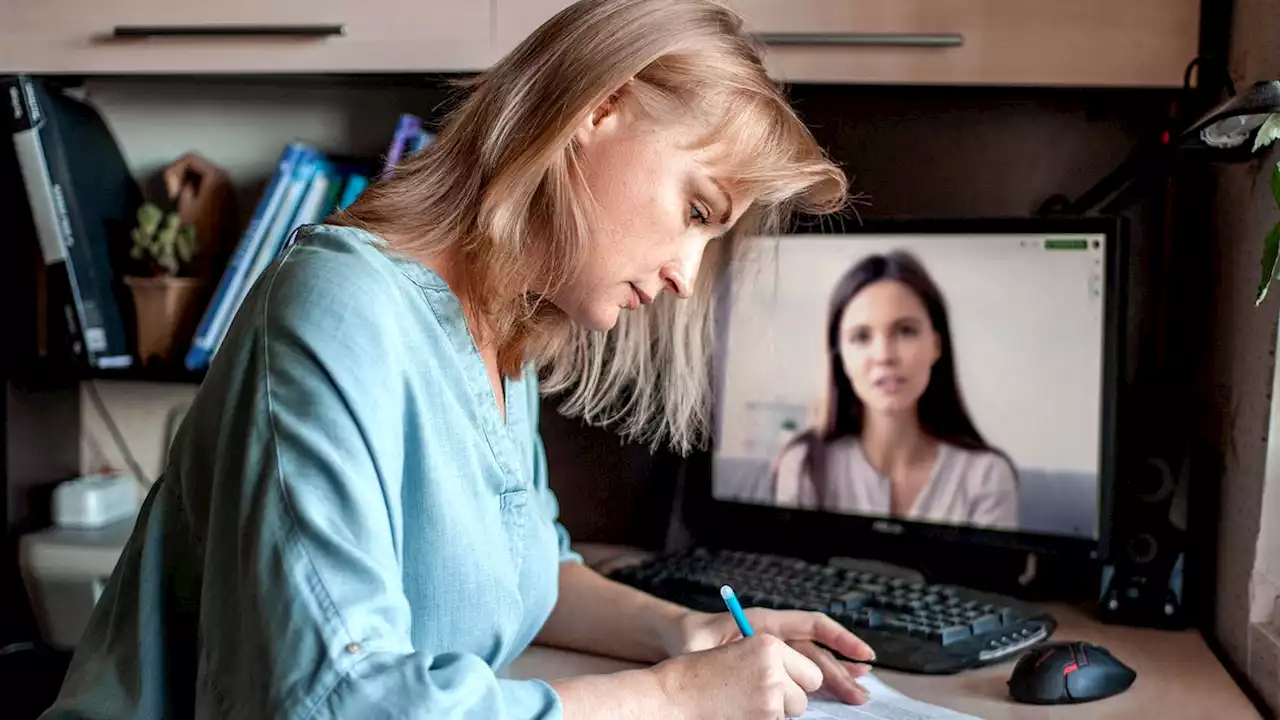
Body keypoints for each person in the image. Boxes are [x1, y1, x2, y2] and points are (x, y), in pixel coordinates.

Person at [40, 1, 878, 719]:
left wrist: (687, 634)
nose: (687, 279)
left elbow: (528, 570)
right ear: (598, 107)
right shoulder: (338, 311)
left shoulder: (497, 329)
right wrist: (669, 697)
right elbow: (341, 699)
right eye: (696, 208)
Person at [771, 250, 1019, 531]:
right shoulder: (803, 465)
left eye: (905, 331)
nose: (884, 355)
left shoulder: (986, 476)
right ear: (840, 356)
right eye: (861, 337)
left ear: (936, 345)